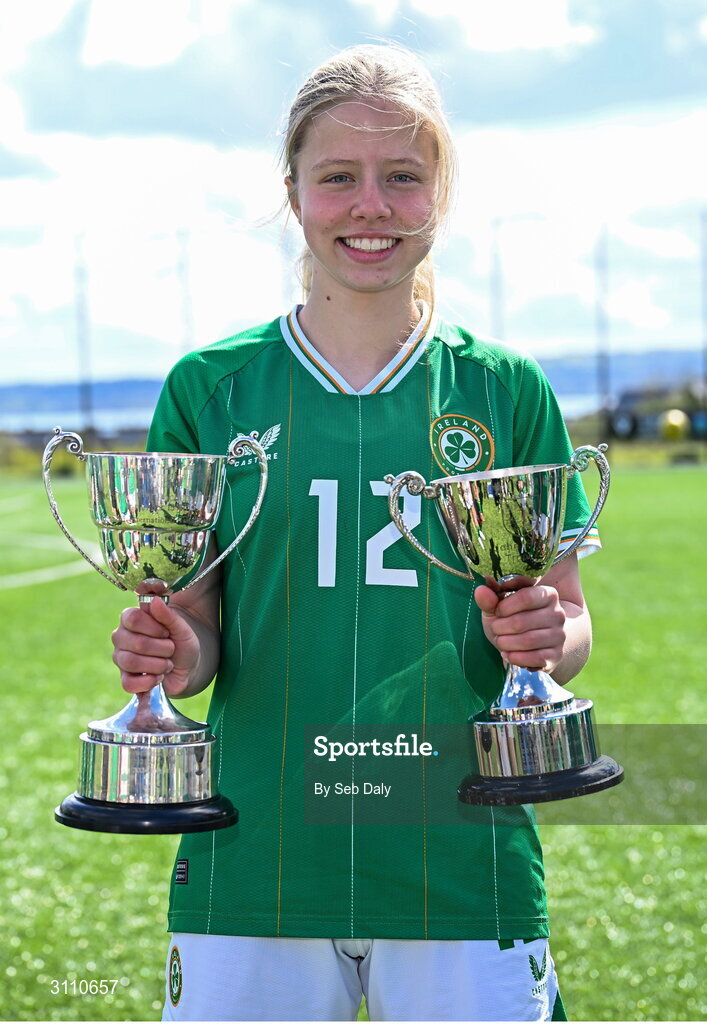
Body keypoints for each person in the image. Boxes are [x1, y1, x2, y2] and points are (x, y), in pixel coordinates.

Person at [111, 43, 601, 1022]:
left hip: (461, 863)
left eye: (402, 178)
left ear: (439, 195)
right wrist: (168, 652)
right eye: (337, 177)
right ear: (292, 190)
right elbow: (199, 639)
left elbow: (569, 631)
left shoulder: (504, 390)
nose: (369, 206)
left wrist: (551, 639)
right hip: (256, 858)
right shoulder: (211, 388)